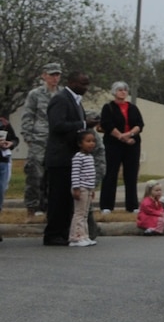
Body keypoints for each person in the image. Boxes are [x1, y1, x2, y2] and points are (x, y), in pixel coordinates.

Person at [41, 71, 91, 246]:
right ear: (72, 82)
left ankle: (65, 232)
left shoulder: (76, 102)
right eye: (82, 84)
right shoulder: (61, 99)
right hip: (60, 158)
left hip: (72, 158)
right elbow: (57, 125)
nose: (85, 88)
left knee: (68, 200)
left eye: (87, 84)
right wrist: (84, 124)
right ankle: (52, 234)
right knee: (58, 198)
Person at [18, 61, 62, 215]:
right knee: (35, 174)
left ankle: (50, 206)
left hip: (57, 139)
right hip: (39, 138)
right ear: (44, 76)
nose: (55, 78)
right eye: (52, 75)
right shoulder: (35, 94)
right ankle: (33, 206)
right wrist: (28, 136)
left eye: (57, 75)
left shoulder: (62, 93)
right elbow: (28, 115)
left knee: (54, 175)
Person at [99, 80, 145, 213]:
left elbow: (139, 124)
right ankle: (107, 206)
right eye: (120, 90)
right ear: (114, 92)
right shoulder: (108, 107)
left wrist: (130, 134)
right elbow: (107, 124)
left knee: (131, 175)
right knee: (110, 174)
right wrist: (121, 137)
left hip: (132, 144)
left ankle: (132, 205)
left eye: (125, 90)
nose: (123, 92)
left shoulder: (132, 107)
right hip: (113, 144)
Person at [68, 131, 100, 247]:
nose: (91, 144)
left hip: (88, 188)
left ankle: (84, 235)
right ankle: (75, 237)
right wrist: (76, 188)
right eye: (88, 141)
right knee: (79, 213)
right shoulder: (78, 157)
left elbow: (91, 175)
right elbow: (75, 173)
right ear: (80, 143)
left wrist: (92, 190)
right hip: (81, 188)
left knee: (85, 214)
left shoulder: (90, 157)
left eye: (93, 141)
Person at [0, 114, 17, 217]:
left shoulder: (4, 123)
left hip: (3, 161)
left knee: (1, 191)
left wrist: (11, 144)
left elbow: (15, 139)